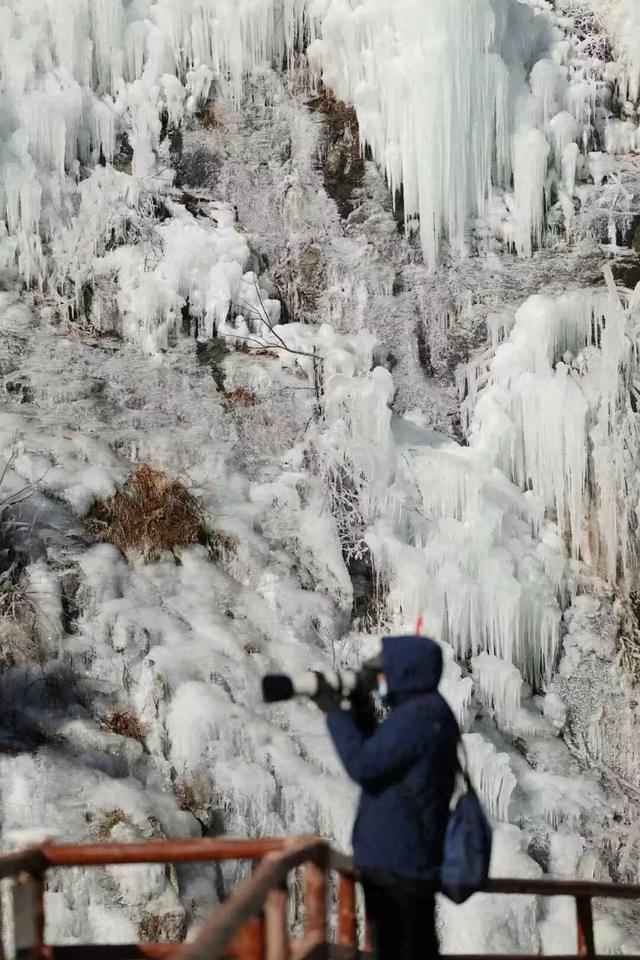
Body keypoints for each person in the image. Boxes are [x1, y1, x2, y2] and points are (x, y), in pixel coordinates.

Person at [318, 634, 460, 960]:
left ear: (405, 671)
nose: (380, 679)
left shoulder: (418, 717)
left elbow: (364, 765)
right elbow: (384, 756)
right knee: (408, 947)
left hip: (400, 860)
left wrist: (333, 712)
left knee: (402, 949)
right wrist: (360, 708)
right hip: (402, 857)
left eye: (385, 671)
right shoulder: (423, 712)